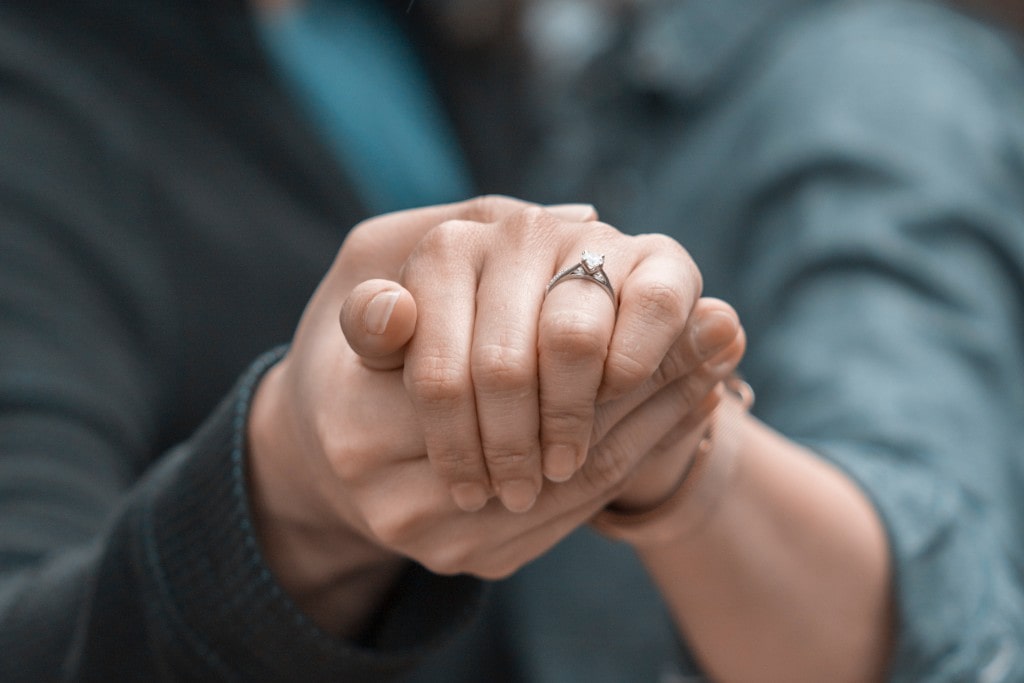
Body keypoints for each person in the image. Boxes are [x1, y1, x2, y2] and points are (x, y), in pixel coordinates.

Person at [1, 1, 1023, 683]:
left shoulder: (457, 50)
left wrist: (667, 450)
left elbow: (934, 592)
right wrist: (284, 491)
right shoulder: (53, 101)